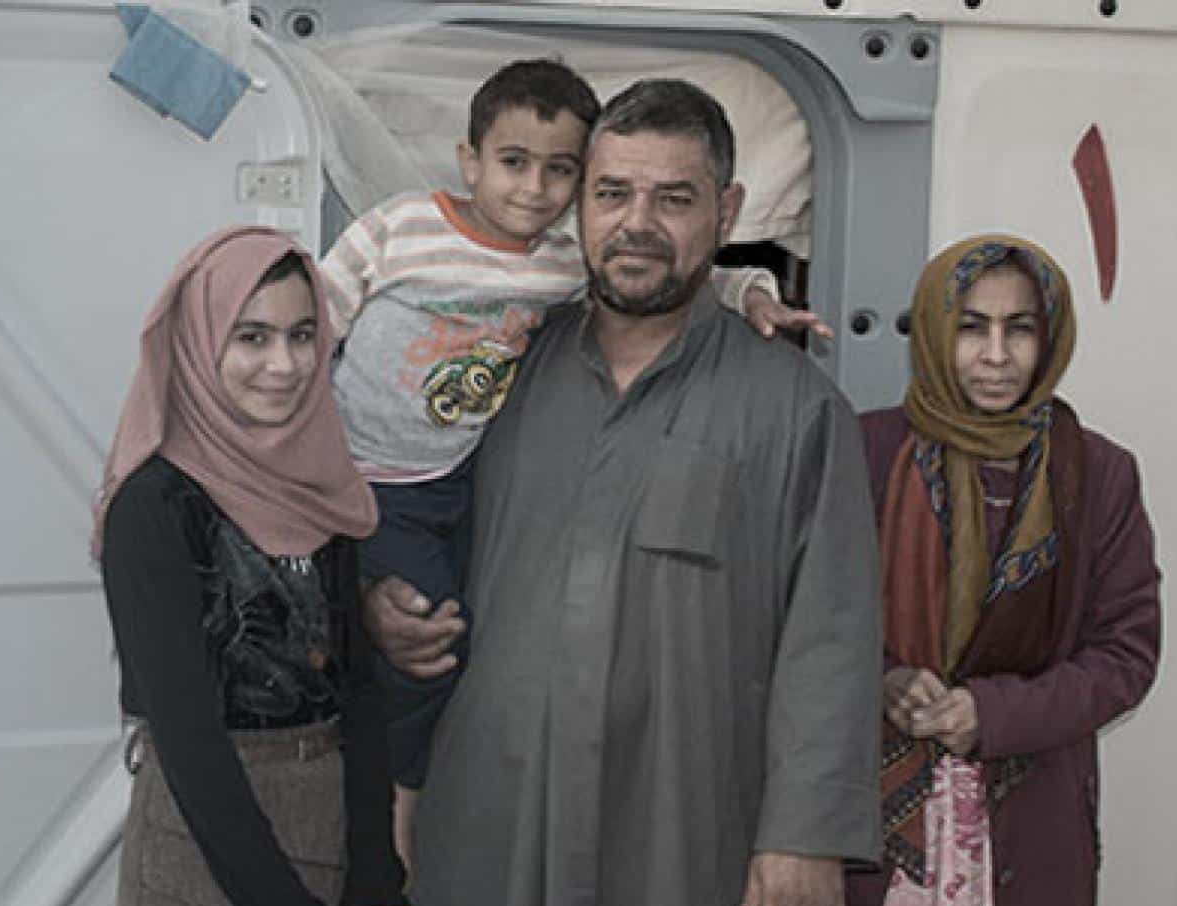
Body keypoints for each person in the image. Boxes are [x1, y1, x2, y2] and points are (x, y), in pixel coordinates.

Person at [363, 79, 882, 906]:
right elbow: (403, 499)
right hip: (494, 815)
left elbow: (831, 637)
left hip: (686, 837)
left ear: (727, 211)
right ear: (578, 207)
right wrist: (380, 600)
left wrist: (804, 834)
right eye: (612, 194)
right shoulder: (501, 367)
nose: (637, 223)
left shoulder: (795, 408)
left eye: (673, 198)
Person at [318, 58, 826, 818]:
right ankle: (392, 808)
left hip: (458, 481)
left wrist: (751, 289)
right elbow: (313, 318)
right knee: (420, 639)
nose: (533, 190)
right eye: (514, 163)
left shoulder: (564, 268)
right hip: (364, 480)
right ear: (470, 161)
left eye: (559, 171)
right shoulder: (410, 236)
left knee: (450, 628)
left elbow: (669, 273)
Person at [796, 235, 1163, 906]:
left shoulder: (1099, 474)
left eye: (1019, 328)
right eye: (970, 326)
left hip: (1026, 820)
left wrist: (988, 712)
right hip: (871, 820)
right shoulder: (864, 450)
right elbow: (804, 623)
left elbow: (1126, 653)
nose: (996, 355)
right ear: (933, 331)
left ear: (1050, 337)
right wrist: (888, 680)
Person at [95, 227, 420, 906]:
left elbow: (361, 694)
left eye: (303, 335)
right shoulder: (154, 506)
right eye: (252, 337)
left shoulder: (320, 486)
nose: (284, 365)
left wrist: (376, 881)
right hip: (210, 857)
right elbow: (192, 744)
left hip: (332, 834)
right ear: (201, 342)